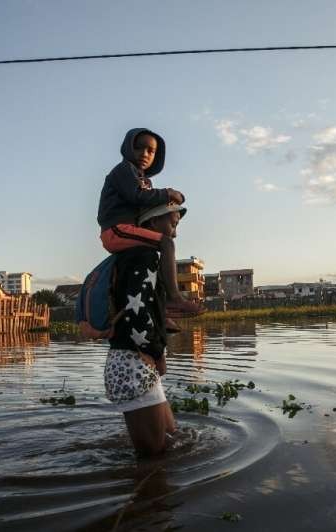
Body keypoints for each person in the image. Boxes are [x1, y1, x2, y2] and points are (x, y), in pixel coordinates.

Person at [103, 203, 188, 456]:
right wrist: (158, 354)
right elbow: (137, 315)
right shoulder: (143, 256)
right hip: (134, 364)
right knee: (153, 457)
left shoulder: (134, 257)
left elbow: (147, 310)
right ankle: (146, 495)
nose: (174, 233)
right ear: (152, 223)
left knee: (173, 440)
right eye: (172, 224)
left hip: (136, 363)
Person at [97, 127, 203, 330]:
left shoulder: (144, 180)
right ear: (128, 148)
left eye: (151, 151)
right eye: (139, 148)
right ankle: (174, 297)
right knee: (166, 243)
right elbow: (137, 196)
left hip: (129, 229)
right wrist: (168, 193)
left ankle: (159, 310)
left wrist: (171, 204)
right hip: (116, 229)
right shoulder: (123, 171)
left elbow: (149, 204)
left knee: (155, 260)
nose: (144, 154)